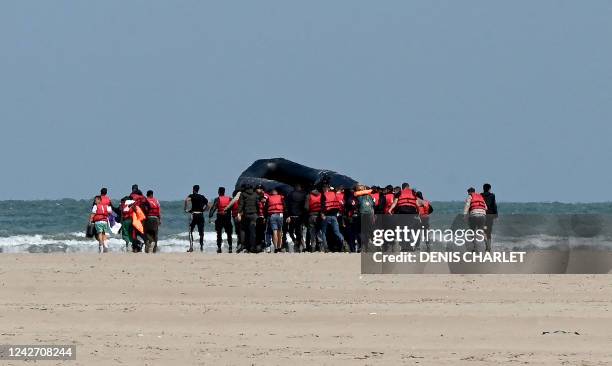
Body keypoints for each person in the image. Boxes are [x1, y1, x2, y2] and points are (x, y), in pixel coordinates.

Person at [389, 183, 420, 251]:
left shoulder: (399, 192)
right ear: (408, 187)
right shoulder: (413, 192)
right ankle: (409, 245)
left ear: (402, 188)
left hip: (402, 211)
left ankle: (404, 246)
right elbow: (417, 204)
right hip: (411, 212)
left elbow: (395, 203)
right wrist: (418, 212)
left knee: (402, 229)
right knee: (409, 229)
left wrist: (390, 210)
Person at [319, 183, 345, 252]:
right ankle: (343, 241)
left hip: (326, 216)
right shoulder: (334, 194)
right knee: (337, 232)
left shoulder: (323, 195)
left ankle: (326, 248)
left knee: (324, 232)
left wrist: (322, 214)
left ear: (324, 188)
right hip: (334, 216)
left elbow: (322, 206)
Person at [185, 185, 209, 252]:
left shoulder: (191, 195)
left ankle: (191, 247)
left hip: (194, 215)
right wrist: (203, 210)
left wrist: (186, 209)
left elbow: (186, 200)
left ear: (193, 189)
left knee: (190, 231)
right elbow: (208, 205)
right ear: (198, 190)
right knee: (201, 232)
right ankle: (201, 247)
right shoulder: (202, 197)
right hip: (200, 215)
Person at [209, 187, 233, 253]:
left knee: (219, 234)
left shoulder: (217, 199)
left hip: (220, 218)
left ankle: (219, 248)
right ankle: (230, 247)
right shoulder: (229, 199)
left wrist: (210, 215)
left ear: (219, 192)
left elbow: (214, 208)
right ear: (224, 192)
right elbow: (233, 207)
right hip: (227, 218)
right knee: (229, 234)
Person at [464, 187, 489, 252]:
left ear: (469, 192)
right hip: (483, 215)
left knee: (472, 232)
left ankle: (475, 248)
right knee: (481, 231)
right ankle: (487, 246)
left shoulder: (470, 196)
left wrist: (464, 215)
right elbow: (486, 208)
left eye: (468, 193)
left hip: (474, 215)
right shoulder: (480, 197)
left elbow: (467, 205)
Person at [237, 184, 260, 253]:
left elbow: (241, 205)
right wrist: (258, 213)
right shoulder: (255, 194)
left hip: (246, 215)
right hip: (254, 215)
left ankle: (244, 246)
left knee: (244, 230)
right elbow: (258, 204)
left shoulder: (243, 194)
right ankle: (253, 247)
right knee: (253, 231)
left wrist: (238, 213)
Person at [285, 184, 306, 252]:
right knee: (299, 232)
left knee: (291, 231)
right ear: (300, 188)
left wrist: (288, 216)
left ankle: (295, 242)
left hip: (291, 216)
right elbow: (304, 207)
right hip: (300, 216)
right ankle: (299, 245)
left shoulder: (290, 194)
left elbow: (287, 206)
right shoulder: (303, 195)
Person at [304, 187, 322, 252]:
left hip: (311, 215)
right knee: (319, 231)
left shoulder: (309, 196)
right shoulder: (321, 195)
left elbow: (306, 207)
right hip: (319, 216)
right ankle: (320, 246)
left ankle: (313, 247)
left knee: (312, 232)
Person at [481, 183, 498, 248]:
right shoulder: (492, 195)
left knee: (483, 230)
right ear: (489, 189)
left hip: (483, 215)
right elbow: (494, 206)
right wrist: (496, 215)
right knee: (489, 232)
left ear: (483, 189)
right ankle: (489, 246)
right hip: (490, 216)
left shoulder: (480, 195)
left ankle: (486, 245)